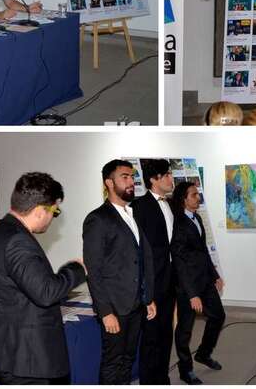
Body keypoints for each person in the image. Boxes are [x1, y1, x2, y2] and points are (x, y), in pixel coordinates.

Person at [0, 172, 86, 384]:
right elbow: (46, 293)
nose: (54, 218)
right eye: (55, 211)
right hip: (28, 359)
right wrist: (77, 268)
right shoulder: (18, 240)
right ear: (39, 211)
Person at [83, 160, 156, 385]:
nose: (131, 182)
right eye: (124, 177)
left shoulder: (131, 214)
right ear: (109, 182)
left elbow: (140, 259)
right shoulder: (97, 219)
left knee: (127, 359)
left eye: (132, 177)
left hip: (135, 305)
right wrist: (105, 312)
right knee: (112, 362)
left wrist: (148, 297)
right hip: (114, 306)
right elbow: (93, 269)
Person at [170, 182, 225, 385]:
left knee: (218, 316)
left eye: (198, 194)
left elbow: (203, 251)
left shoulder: (197, 218)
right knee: (185, 329)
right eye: (194, 195)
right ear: (184, 199)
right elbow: (179, 262)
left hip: (205, 280)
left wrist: (215, 275)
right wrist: (192, 293)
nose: (198, 198)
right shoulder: (177, 223)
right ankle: (186, 370)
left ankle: (203, 353)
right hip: (187, 286)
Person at [133, 159, 177, 384]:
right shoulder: (140, 207)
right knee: (151, 337)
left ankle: (162, 378)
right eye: (167, 175)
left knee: (165, 334)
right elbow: (140, 249)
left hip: (170, 280)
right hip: (152, 281)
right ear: (153, 179)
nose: (172, 179)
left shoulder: (170, 204)